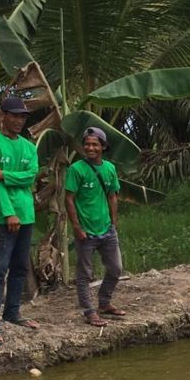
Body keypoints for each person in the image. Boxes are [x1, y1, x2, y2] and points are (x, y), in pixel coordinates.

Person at [0, 96, 39, 345]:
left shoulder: (28, 146)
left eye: (22, 116)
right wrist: (8, 213)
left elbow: (32, 175)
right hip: (4, 215)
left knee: (20, 267)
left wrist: (4, 174)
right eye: (14, 115)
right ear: (2, 115)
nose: (18, 120)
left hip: (26, 213)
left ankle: (13, 313)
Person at [64, 127, 126, 326]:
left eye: (95, 144)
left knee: (116, 268)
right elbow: (69, 198)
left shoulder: (109, 169)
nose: (90, 148)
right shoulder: (76, 169)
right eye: (87, 144)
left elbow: (112, 196)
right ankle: (88, 311)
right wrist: (76, 226)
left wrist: (114, 221)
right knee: (85, 274)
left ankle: (104, 302)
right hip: (86, 231)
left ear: (103, 147)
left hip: (106, 228)